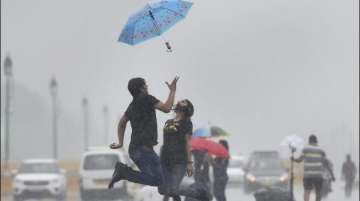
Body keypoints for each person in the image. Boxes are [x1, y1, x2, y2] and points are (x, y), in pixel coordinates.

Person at [108, 76, 179, 188]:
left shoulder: (132, 106)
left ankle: (124, 172)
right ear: (141, 89)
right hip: (143, 150)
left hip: (136, 150)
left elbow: (122, 123)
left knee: (165, 179)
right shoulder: (147, 99)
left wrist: (120, 142)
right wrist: (172, 91)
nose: (147, 87)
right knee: (161, 180)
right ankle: (124, 173)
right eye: (145, 85)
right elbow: (166, 108)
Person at [158, 99, 209, 201]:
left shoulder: (187, 123)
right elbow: (165, 141)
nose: (181, 101)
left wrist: (189, 163)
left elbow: (188, 143)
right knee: (163, 189)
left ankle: (200, 194)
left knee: (173, 188)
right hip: (165, 159)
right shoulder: (168, 122)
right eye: (181, 101)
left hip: (180, 160)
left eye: (184, 102)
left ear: (187, 109)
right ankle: (197, 194)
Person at [292, 134, 335, 201]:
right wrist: (332, 175)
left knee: (307, 191)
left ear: (309, 141)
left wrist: (293, 159)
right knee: (318, 192)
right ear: (316, 141)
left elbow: (299, 160)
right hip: (318, 175)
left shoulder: (305, 149)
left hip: (308, 175)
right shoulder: (321, 150)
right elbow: (326, 164)